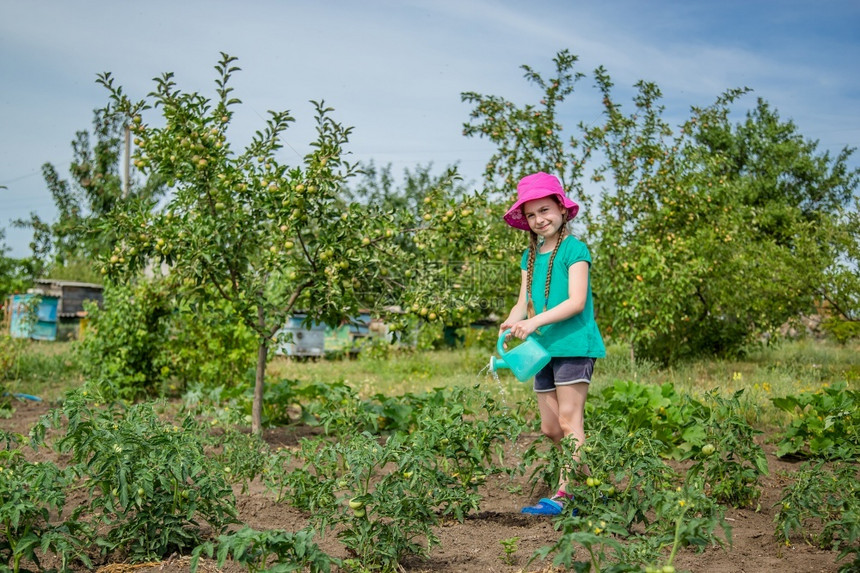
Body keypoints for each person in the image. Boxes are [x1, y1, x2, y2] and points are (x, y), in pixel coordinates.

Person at [499, 171, 606, 516]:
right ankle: (593, 489)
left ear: (561, 208)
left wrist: (533, 323)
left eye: (544, 210)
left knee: (570, 422)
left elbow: (576, 301)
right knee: (550, 428)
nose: (538, 219)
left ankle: (565, 495)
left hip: (574, 344)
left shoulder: (575, 249)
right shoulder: (529, 257)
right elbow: (523, 301)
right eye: (530, 214)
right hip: (543, 350)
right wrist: (514, 319)